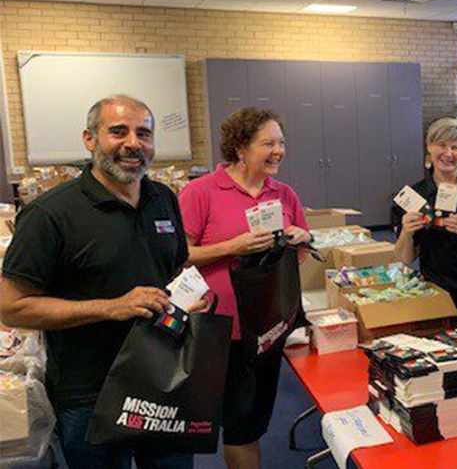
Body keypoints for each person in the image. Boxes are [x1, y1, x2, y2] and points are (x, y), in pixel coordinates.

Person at [0, 95, 199, 469]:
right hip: (89, 393)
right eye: (118, 132)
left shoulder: (164, 199)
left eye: (144, 133)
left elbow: (174, 268)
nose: (133, 143)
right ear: (90, 139)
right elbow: (11, 305)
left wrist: (188, 296)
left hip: (164, 379)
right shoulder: (50, 214)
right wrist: (112, 307)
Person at [178, 107, 311, 469]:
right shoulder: (200, 192)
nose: (278, 151)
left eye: (281, 142)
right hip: (220, 327)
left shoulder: (284, 193)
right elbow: (178, 258)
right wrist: (231, 248)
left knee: (252, 421)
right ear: (240, 148)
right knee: (233, 422)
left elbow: (299, 254)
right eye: (268, 143)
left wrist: (301, 238)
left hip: (267, 326)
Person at [392, 118, 457, 325]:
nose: (448, 154)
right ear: (429, 147)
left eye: (456, 147)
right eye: (441, 146)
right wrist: (406, 232)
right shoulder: (413, 195)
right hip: (436, 290)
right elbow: (406, 258)